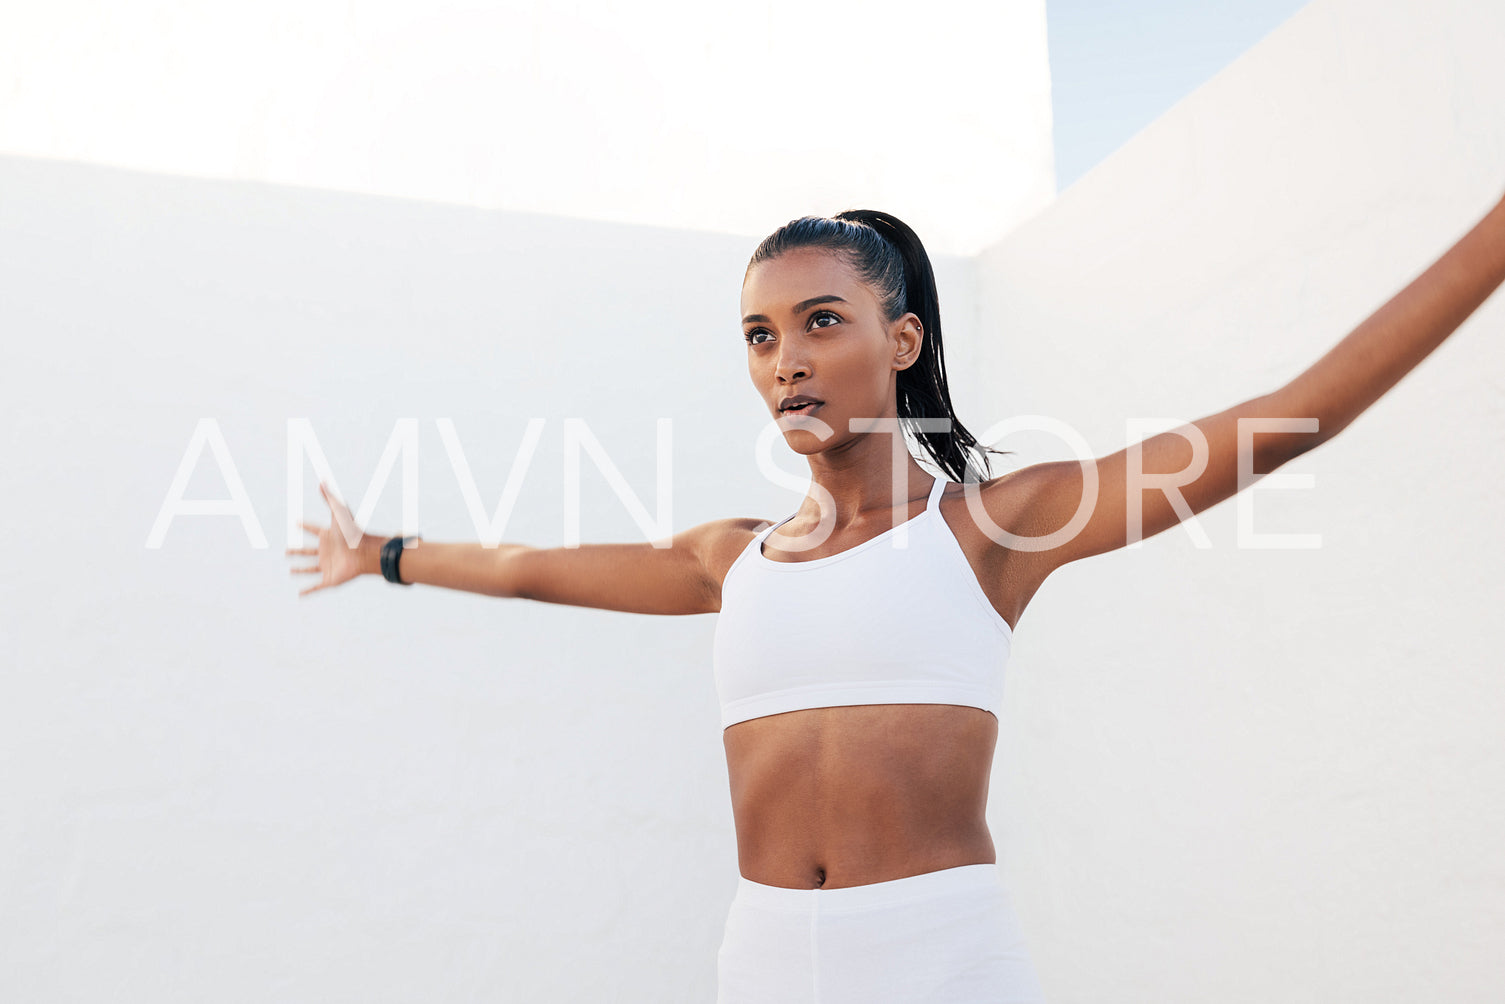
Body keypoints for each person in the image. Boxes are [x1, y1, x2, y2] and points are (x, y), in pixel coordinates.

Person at [286, 201, 1505, 1002]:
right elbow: (526, 568)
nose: (786, 360)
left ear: (903, 337)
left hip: (939, 957)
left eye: (822, 321)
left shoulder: (990, 531)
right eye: (760, 335)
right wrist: (379, 552)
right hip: (761, 958)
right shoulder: (732, 559)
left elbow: (1293, 415)